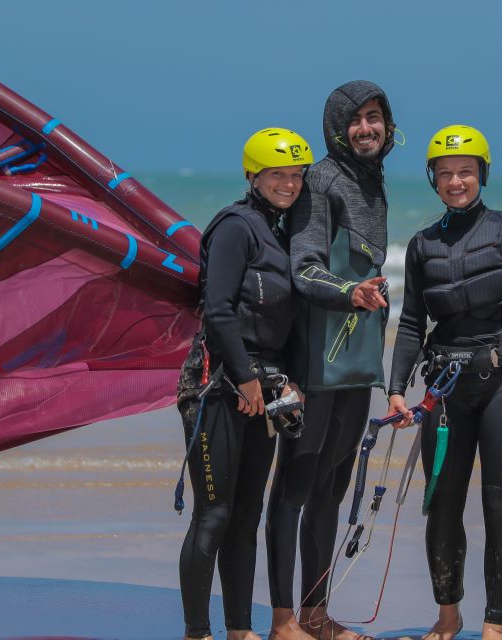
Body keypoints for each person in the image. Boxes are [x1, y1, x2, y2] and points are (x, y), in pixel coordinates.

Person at [386, 125, 502, 640]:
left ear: (482, 174)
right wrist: (396, 388)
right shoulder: (422, 245)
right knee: (441, 506)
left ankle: (496, 625)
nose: (455, 181)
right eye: (445, 173)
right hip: (445, 390)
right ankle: (449, 616)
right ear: (433, 179)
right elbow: (410, 324)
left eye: (465, 171)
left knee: (499, 505)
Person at [266, 80, 395, 640]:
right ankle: (282, 619)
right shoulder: (321, 180)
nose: (367, 128)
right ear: (337, 127)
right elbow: (306, 266)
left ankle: (316, 615)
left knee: (333, 486)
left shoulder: (372, 182)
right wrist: (353, 294)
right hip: (315, 359)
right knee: (296, 485)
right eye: (357, 119)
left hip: (354, 360)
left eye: (376, 118)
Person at [176, 128, 312, 640]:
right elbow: (218, 310)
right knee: (214, 514)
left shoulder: (280, 232)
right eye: (278, 174)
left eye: (297, 175)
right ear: (253, 175)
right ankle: (197, 633)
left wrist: (285, 384)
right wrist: (246, 379)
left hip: (262, 385)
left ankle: (239, 629)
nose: (289, 183)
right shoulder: (236, 226)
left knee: (246, 516)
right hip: (217, 383)